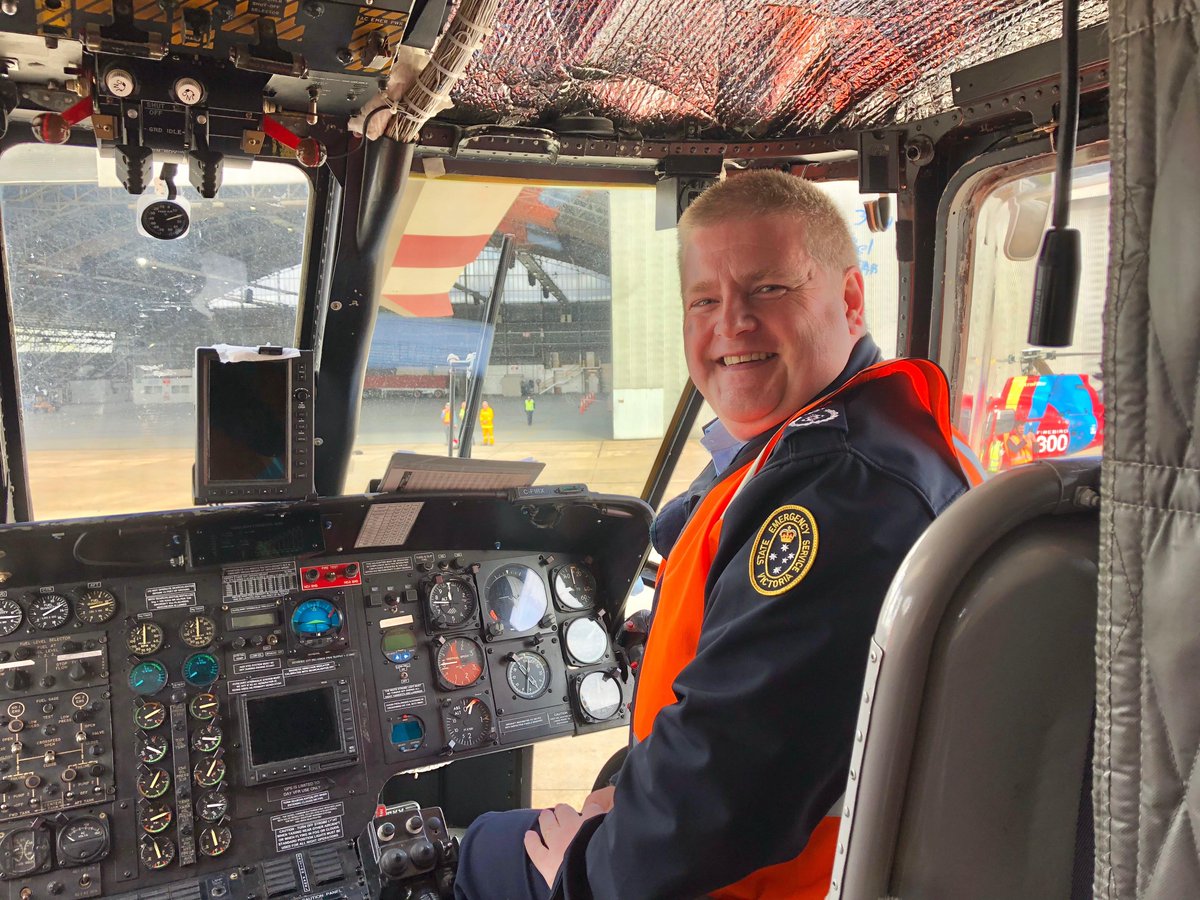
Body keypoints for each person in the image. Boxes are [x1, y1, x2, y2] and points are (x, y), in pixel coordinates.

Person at [453, 170, 972, 900]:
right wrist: (620, 797)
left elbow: (728, 778)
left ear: (850, 300)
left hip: (774, 882)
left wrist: (582, 870)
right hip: (770, 853)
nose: (731, 323)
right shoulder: (840, 448)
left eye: (769, 289)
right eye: (705, 300)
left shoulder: (839, 495)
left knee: (474, 858)